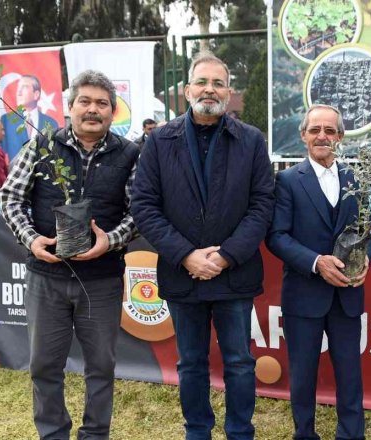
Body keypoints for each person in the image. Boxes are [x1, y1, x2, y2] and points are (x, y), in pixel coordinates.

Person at [131, 51, 275, 440]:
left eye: (217, 83)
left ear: (228, 92)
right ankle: (198, 431)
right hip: (183, 273)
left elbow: (263, 204)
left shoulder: (251, 141)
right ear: (186, 89)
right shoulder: (160, 141)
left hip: (235, 273)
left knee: (240, 363)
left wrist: (227, 255)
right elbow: (144, 206)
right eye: (202, 82)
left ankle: (240, 432)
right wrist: (186, 255)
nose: (209, 89)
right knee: (191, 363)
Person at [0, 69, 140, 440]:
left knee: (101, 366)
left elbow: (139, 210)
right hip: (46, 278)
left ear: (113, 112)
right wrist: (31, 239)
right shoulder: (42, 145)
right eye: (85, 102)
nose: (93, 110)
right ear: (70, 107)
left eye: (102, 104)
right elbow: (10, 197)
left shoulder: (130, 154)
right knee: (45, 365)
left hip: (102, 280)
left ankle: (95, 435)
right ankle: (53, 433)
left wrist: (110, 240)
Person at [265, 104, 371, 440]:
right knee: (302, 375)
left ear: (340, 137)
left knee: (350, 374)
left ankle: (351, 434)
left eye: (330, 131)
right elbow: (277, 236)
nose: (322, 136)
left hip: (347, 294)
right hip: (303, 296)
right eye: (315, 130)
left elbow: (369, 232)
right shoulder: (286, 181)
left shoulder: (357, 180)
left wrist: (367, 257)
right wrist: (316, 262)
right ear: (303, 135)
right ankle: (305, 434)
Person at [0, 74, 60, 159]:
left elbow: (55, 154)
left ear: (36, 94)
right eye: (18, 88)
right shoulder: (6, 120)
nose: (19, 92)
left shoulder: (51, 123)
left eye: (24, 87)